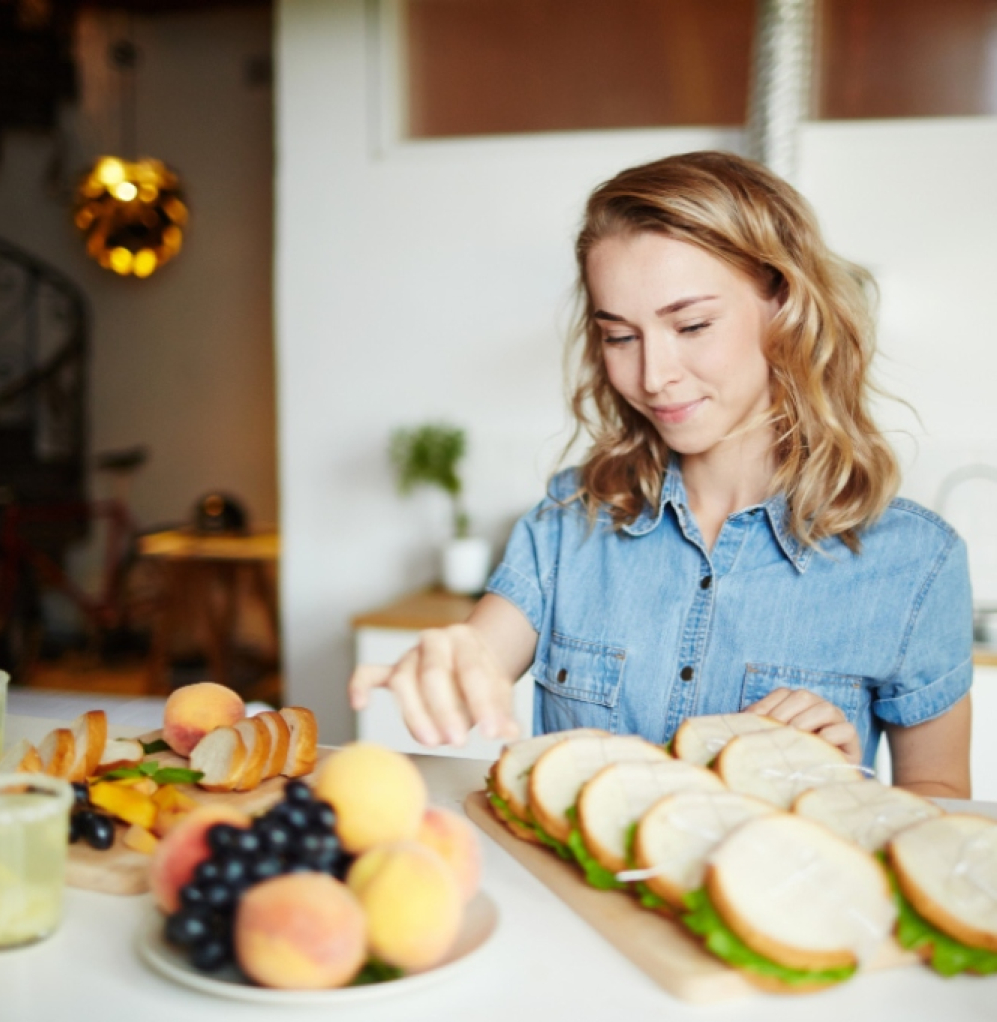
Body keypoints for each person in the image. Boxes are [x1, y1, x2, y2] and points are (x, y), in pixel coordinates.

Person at [350, 151, 973, 798]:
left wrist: (849, 788)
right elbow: (477, 659)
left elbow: (941, 796)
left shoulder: (915, 562)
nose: (653, 376)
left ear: (784, 305)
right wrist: (447, 667)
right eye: (620, 337)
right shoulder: (569, 521)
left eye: (691, 325)